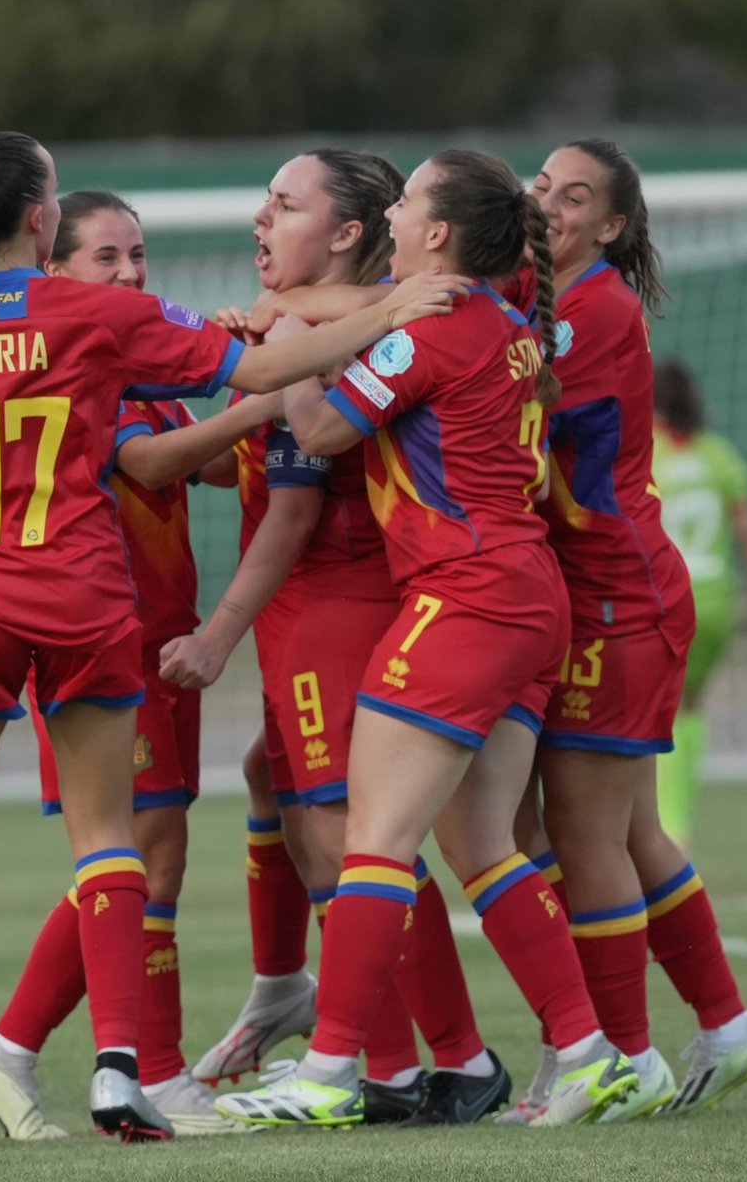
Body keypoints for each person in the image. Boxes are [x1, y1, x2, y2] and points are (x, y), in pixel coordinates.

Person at [0, 130, 467, 1148]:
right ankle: (121, 1072)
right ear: (39, 222)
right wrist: (390, 308)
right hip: (86, 602)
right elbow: (256, 367)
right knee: (112, 841)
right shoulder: (103, 316)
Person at [215, 150, 638, 1131]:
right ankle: (586, 1050)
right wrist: (321, 322)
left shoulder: (435, 324)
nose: (397, 212)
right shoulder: (502, 322)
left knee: (374, 842)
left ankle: (332, 1072)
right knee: (486, 848)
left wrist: (287, 354)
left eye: (407, 202)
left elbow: (320, 435)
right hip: (528, 597)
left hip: (469, 596)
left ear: (438, 233)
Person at [165, 149, 496, 1125]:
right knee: (304, 805)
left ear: (348, 233)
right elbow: (252, 464)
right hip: (309, 611)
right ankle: (375, 1051)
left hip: (337, 600)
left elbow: (299, 499)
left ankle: (409, 1061)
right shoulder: (303, 323)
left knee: (352, 834)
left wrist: (219, 630)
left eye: (283, 203)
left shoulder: (354, 328)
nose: (259, 218)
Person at [0, 190, 279, 1139]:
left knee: (152, 856)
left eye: (139, 255)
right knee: (134, 857)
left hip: (159, 638)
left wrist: (237, 397)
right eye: (107, 257)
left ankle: (31, 1053)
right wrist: (260, 397)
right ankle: (99, 1060)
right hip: (100, 636)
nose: (132, 273)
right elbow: (148, 464)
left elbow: (208, 465)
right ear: (55, 267)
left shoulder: (138, 354)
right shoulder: (77, 361)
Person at [504, 139, 747, 1121]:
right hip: (595, 595)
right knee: (618, 829)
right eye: (540, 186)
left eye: (574, 197)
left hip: (618, 598)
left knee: (581, 831)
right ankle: (724, 1025)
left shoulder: (595, 308)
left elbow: (514, 430)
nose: (549, 206)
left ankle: (620, 1056)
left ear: (612, 227)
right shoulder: (532, 291)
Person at [652, 358, 747, 847]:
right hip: (716, 601)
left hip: (664, 599)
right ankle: (678, 821)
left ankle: (663, 827)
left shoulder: (646, 453)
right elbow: (745, 523)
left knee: (650, 711)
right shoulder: (717, 455)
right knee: (690, 706)